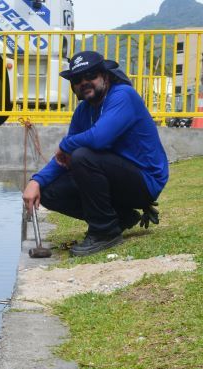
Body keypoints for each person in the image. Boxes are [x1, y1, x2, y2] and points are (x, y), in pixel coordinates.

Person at [22, 50, 169, 257]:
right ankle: (119, 218)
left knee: (82, 156)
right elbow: (63, 159)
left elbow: (99, 138)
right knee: (49, 191)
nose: (84, 82)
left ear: (105, 77)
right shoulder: (83, 111)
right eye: (77, 79)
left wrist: (66, 145)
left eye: (91, 76)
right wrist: (36, 181)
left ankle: (104, 232)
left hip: (144, 181)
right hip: (111, 178)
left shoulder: (123, 95)